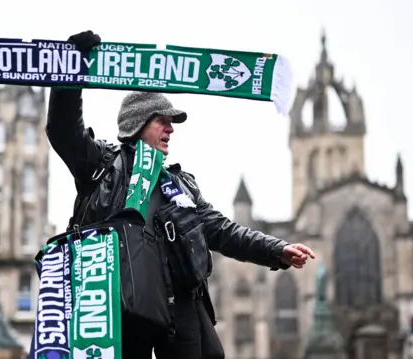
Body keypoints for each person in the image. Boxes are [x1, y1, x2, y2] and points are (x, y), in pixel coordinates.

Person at [47, 30, 316, 359]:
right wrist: (71, 71)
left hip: (180, 316)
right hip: (115, 313)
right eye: (163, 121)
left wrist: (276, 250)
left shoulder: (179, 185)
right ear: (137, 123)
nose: (171, 129)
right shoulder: (102, 166)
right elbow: (62, 130)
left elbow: (221, 230)